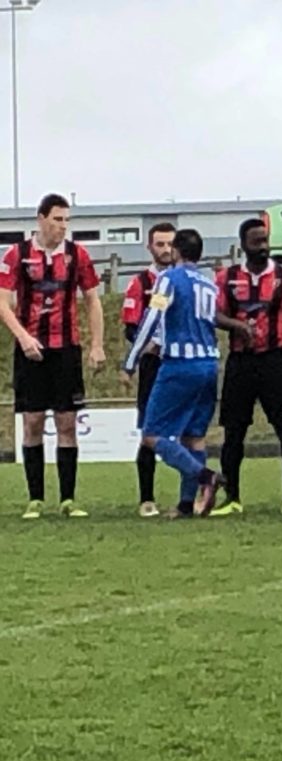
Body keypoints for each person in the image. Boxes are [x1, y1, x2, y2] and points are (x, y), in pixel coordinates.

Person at [0, 193, 106, 520]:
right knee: (32, 422)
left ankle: (68, 499)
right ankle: (35, 499)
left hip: (66, 350)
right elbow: (3, 301)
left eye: (66, 220)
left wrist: (97, 344)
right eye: (58, 219)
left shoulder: (77, 255)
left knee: (67, 423)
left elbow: (92, 300)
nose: (63, 226)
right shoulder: (17, 255)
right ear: (41, 219)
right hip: (31, 350)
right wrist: (23, 337)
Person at [210, 218, 282, 518]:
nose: (263, 247)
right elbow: (213, 315)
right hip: (240, 363)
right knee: (233, 433)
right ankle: (232, 498)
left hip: (275, 361)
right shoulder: (226, 278)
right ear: (243, 245)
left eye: (265, 241)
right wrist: (237, 325)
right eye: (256, 242)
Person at [122, 229, 225, 518]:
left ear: (177, 251)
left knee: (152, 434)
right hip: (209, 364)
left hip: (180, 364)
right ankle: (186, 505)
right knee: (194, 437)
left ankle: (205, 476)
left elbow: (152, 317)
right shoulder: (208, 284)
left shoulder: (167, 279)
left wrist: (131, 361)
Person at [121, 222, 177, 518]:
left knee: (189, 432)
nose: (166, 250)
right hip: (153, 365)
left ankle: (188, 498)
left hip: (182, 362)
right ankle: (147, 499)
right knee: (149, 431)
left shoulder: (185, 281)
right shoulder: (140, 283)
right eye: (160, 244)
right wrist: (147, 347)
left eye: (170, 244)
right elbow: (130, 327)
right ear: (150, 247)